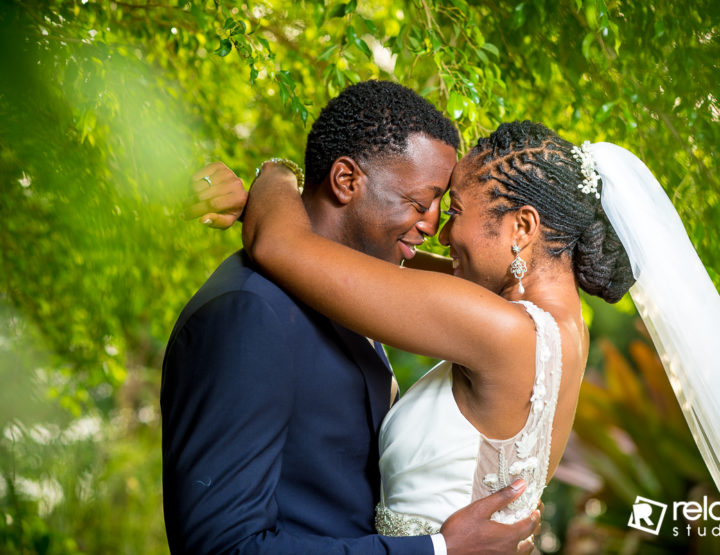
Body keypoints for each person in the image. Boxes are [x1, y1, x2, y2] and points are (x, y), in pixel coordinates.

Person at [231, 119, 720, 531]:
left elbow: (280, 247)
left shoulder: (503, 333)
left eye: (457, 211)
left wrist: (274, 175)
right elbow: (404, 262)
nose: (441, 234)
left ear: (522, 228)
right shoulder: (560, 328)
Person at [162, 81, 541, 554]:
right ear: (346, 181)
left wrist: (274, 178)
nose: (433, 228)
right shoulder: (250, 311)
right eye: (421, 203)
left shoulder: (350, 294)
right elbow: (223, 547)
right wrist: (436, 550)